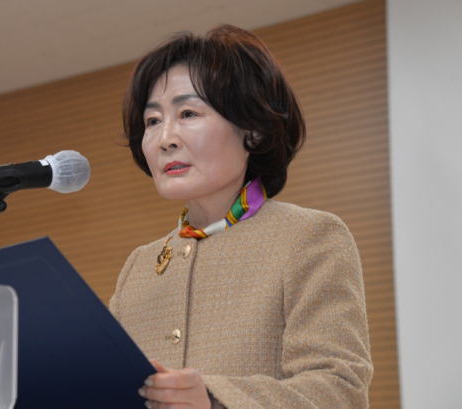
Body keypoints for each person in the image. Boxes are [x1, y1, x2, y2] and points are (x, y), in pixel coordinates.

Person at [109, 25, 373, 409]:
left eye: (187, 113)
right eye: (152, 121)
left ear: (253, 130)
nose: (165, 138)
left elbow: (341, 390)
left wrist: (215, 399)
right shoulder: (139, 267)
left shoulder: (310, 237)